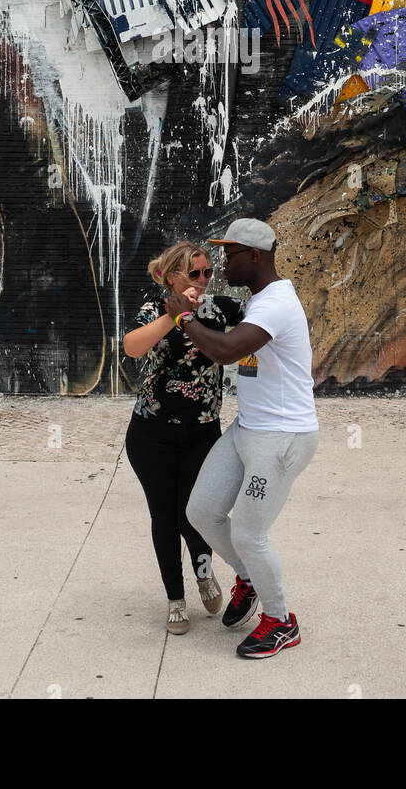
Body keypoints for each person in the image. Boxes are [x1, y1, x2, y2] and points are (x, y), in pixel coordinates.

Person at [162, 218, 319, 660]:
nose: (221, 263)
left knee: (250, 533)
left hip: (282, 438)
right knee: (201, 511)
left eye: (229, 255)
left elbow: (228, 350)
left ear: (255, 256)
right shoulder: (259, 300)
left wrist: (184, 316)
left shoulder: (275, 304)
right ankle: (248, 579)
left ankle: (281, 621)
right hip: (248, 429)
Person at [122, 240, 246, 634]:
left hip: (202, 432)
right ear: (174, 277)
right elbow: (131, 347)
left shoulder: (221, 310)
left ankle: (204, 574)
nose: (204, 280)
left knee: (194, 514)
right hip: (151, 434)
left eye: (208, 272)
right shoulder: (152, 310)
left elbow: (263, 317)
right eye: (195, 273)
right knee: (164, 517)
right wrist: (176, 316)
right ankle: (175, 598)